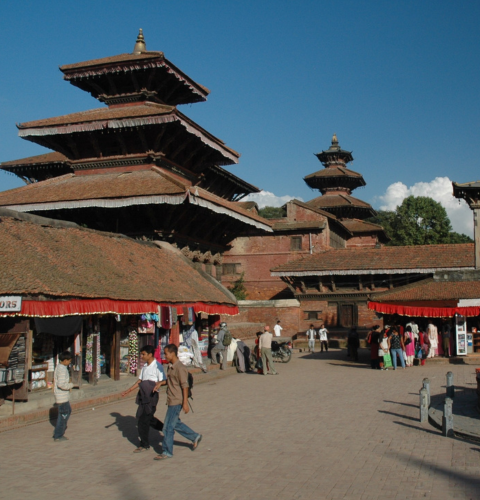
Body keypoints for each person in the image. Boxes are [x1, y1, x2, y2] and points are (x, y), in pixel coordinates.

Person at [154, 344, 202, 460]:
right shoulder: (170, 367)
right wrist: (161, 383)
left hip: (177, 401)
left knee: (167, 427)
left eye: (166, 354)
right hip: (171, 399)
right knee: (175, 423)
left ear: (172, 353)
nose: (165, 356)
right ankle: (195, 436)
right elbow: (171, 381)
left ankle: (167, 451)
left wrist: (185, 403)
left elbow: (184, 386)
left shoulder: (180, 368)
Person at [121, 345, 165, 453]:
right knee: (148, 418)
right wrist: (129, 390)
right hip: (143, 396)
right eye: (141, 354)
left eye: (143, 354)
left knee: (142, 421)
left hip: (152, 397)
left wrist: (158, 385)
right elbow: (140, 380)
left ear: (150, 354)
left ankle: (144, 444)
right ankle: (165, 429)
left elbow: (164, 380)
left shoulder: (158, 366)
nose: (142, 356)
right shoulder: (145, 366)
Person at [53, 351, 74, 442]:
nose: (69, 362)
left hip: (63, 396)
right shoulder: (62, 369)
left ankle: (60, 431)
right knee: (63, 415)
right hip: (61, 396)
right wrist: (70, 385)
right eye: (69, 361)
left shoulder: (59, 367)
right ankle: (58, 435)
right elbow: (61, 384)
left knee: (67, 411)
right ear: (65, 360)